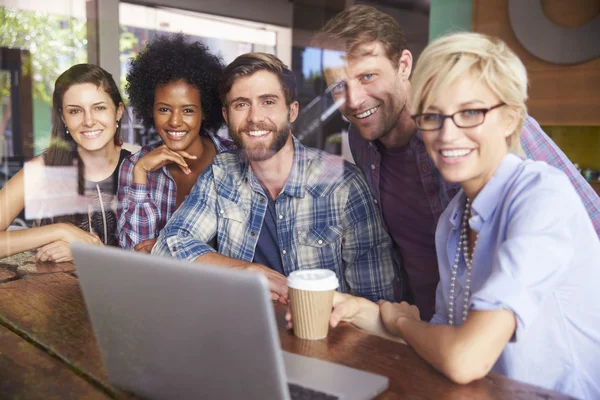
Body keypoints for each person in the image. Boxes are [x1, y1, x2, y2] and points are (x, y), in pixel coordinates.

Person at [310, 32, 600, 398]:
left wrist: (402, 321)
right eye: (432, 116)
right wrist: (361, 310)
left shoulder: (541, 196)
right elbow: (439, 339)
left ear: (511, 119)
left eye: (470, 112)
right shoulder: (453, 218)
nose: (447, 134)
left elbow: (465, 358)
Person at [152, 53, 397, 304]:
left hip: (322, 336)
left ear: (292, 111)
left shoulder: (343, 183)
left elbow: (377, 299)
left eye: (268, 102)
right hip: (240, 330)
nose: (254, 117)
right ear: (226, 116)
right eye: (241, 104)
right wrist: (247, 271)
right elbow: (169, 245)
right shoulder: (222, 172)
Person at [117, 34, 235, 252]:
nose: (174, 121)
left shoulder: (234, 161)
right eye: (164, 109)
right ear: (150, 109)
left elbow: (241, 248)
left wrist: (166, 248)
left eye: (188, 110)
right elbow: (133, 251)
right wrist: (141, 171)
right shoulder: (134, 165)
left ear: (205, 111)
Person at [0, 64, 130, 261]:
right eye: (75, 111)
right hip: (49, 290)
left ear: (118, 111)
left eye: (100, 108)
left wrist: (86, 252)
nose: (88, 121)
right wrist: (61, 230)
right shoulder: (41, 170)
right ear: (63, 117)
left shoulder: (140, 165)